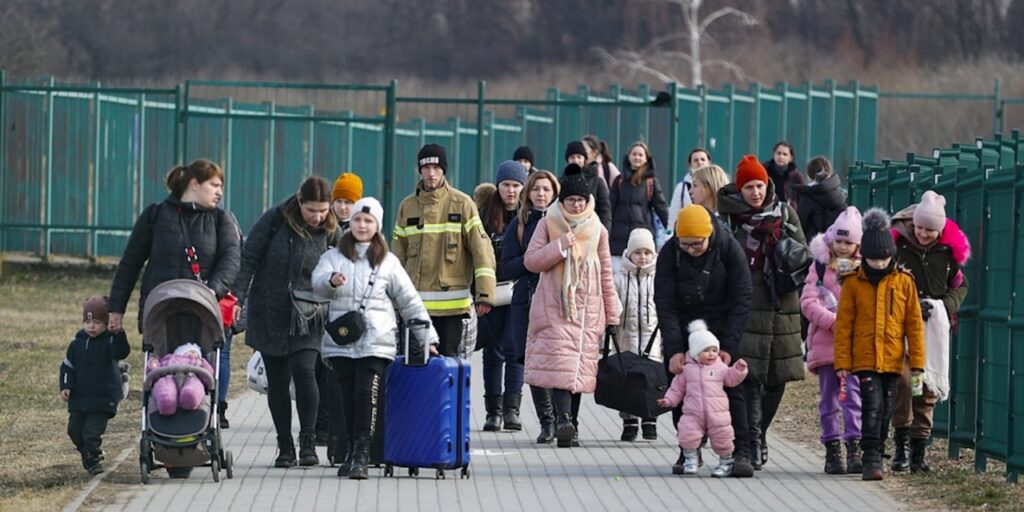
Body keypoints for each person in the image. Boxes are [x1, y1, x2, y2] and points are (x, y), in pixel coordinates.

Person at [107, 159, 240, 435]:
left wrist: (211, 292)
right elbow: (130, 263)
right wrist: (116, 308)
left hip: (204, 312)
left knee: (202, 370)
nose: (220, 192)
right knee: (161, 369)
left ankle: (202, 425)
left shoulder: (220, 219)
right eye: (214, 185)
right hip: (161, 313)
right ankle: (163, 429)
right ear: (194, 184)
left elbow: (231, 260)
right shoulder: (155, 216)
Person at [313, 197, 440, 480]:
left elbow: (409, 301)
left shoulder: (389, 262)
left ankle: (362, 452)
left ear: (377, 226)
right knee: (347, 398)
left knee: (365, 395)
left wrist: (426, 337)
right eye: (358, 219)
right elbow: (317, 283)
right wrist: (330, 280)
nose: (361, 225)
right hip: (342, 343)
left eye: (368, 221)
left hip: (376, 341)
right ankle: (348, 451)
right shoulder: (334, 256)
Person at [233, 176, 340, 468]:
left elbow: (348, 262)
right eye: (311, 211)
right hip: (270, 310)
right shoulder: (275, 219)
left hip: (310, 313)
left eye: (323, 210)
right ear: (299, 202)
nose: (317, 217)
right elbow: (249, 258)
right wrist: (236, 300)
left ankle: (308, 442)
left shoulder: (332, 229)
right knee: (277, 381)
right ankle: (284, 445)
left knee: (305, 372)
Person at [718, 155, 807, 470]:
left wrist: (787, 256)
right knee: (750, 376)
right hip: (745, 302)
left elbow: (803, 252)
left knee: (776, 378)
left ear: (767, 185)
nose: (755, 192)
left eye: (759, 185)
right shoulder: (728, 219)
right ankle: (753, 440)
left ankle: (763, 431)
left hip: (781, 302)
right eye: (748, 187)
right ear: (739, 189)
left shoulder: (785, 213)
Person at [524, 163, 621, 448]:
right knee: (561, 364)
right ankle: (563, 419)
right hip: (556, 305)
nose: (576, 204)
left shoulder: (597, 228)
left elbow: (606, 271)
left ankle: (572, 424)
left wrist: (612, 315)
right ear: (561, 200)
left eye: (580, 199)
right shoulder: (548, 223)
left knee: (578, 368)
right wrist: (559, 247)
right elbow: (532, 261)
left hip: (588, 309)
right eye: (570, 200)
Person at [655, 204, 754, 477]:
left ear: (709, 235)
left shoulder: (729, 249)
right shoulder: (670, 253)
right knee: (681, 383)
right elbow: (665, 303)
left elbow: (742, 297)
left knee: (732, 388)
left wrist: (729, 347)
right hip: (685, 324)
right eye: (684, 244)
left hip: (722, 323)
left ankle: (740, 450)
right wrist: (674, 349)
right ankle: (689, 448)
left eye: (696, 244)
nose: (690, 249)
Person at [834, 208, 925, 481]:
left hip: (894, 359)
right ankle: (871, 455)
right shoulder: (852, 283)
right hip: (864, 358)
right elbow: (844, 326)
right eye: (873, 259)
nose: (878, 263)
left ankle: (879, 449)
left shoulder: (904, 283)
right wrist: (842, 363)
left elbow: (914, 326)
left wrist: (918, 363)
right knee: (871, 404)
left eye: (883, 258)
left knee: (886, 406)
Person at [889, 190, 971, 473]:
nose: (923, 234)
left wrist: (944, 307)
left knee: (925, 388)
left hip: (933, 330)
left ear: (940, 230)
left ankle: (918, 449)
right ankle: (900, 443)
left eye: (930, 230)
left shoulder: (947, 255)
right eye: (920, 228)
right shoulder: (899, 248)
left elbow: (960, 285)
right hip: (902, 329)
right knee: (904, 382)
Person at [392, 144, 496, 357]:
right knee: (415, 369)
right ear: (419, 170)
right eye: (426, 167)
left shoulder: (462, 204)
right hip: (415, 307)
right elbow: (396, 258)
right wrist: (392, 297)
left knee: (447, 368)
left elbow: (481, 250)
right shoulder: (407, 206)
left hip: (452, 310)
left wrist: (484, 294)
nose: (431, 173)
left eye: (437, 168)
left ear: (444, 170)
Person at [800, 207, 864, 475]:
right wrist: (832, 321)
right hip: (827, 344)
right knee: (829, 399)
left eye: (848, 242)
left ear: (858, 244)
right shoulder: (820, 266)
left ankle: (854, 445)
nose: (842, 247)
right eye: (838, 241)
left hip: (854, 347)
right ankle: (832, 448)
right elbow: (807, 301)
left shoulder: (864, 270)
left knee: (853, 397)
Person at [500, 170, 560, 444]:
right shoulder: (520, 224)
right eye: (536, 189)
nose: (540, 194)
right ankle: (547, 422)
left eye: (546, 189)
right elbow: (507, 266)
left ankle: (565, 420)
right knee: (533, 360)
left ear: (554, 192)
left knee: (559, 358)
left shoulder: (563, 222)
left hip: (559, 299)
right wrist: (533, 260)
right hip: (528, 298)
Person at [475, 160, 529, 432]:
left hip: (519, 290)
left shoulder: (529, 216)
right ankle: (493, 411)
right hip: (492, 290)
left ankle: (512, 410)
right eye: (506, 185)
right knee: (492, 349)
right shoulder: (483, 214)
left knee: (515, 348)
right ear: (497, 186)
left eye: (517, 185)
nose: (511, 191)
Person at [657, 320, 749, 477]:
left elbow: (731, 379)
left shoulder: (720, 367)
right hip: (693, 413)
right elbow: (677, 388)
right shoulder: (686, 370)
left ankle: (726, 462)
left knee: (723, 439)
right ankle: (690, 459)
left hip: (718, 413)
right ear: (695, 353)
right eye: (706, 351)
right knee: (687, 435)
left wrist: (739, 369)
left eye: (714, 350)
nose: (712, 354)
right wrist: (669, 400)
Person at [316, 171, 364, 444]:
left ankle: (336, 425)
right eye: (339, 201)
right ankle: (320, 426)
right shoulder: (323, 229)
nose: (343, 207)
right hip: (321, 308)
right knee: (318, 370)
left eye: (349, 201)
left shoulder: (364, 230)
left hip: (347, 310)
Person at [60, 297, 131, 475]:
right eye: (88, 322)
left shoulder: (110, 341)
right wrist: (66, 386)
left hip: (103, 398)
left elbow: (122, 352)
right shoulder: (76, 345)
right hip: (80, 397)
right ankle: (89, 454)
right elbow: (67, 367)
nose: (91, 326)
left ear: (107, 324)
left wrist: (119, 333)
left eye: (97, 322)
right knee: (74, 431)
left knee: (91, 433)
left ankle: (93, 461)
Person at [613, 228, 663, 441]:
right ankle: (629, 421)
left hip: (653, 341)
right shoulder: (620, 279)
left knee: (651, 382)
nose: (642, 257)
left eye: (647, 253)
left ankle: (650, 420)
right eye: (638, 252)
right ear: (629, 253)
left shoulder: (658, 279)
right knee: (628, 383)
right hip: (626, 339)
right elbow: (612, 307)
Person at [608, 141, 669, 273]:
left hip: (642, 239)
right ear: (628, 157)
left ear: (646, 159)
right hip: (618, 240)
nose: (637, 157)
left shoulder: (651, 182)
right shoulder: (619, 181)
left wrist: (672, 228)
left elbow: (661, 207)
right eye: (634, 154)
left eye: (640, 155)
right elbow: (609, 208)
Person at [147, 343, 214, 416]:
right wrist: (153, 366)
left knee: (193, 388)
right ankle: (166, 401)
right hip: (168, 377)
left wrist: (202, 364)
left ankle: (190, 397)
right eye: (191, 351)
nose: (194, 354)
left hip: (191, 377)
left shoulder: (198, 362)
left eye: (197, 353)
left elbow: (208, 375)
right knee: (164, 388)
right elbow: (155, 374)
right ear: (180, 352)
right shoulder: (168, 358)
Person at [794, 156, 847, 241]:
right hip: (837, 244)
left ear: (809, 174)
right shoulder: (841, 194)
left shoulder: (808, 195)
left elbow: (799, 225)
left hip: (813, 244)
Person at [564, 140, 612, 230]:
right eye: (572, 157)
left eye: (579, 157)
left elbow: (605, 210)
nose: (576, 160)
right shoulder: (561, 182)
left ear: (584, 159)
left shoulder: (597, 182)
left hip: (592, 230)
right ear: (567, 160)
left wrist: (605, 232)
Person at [668, 147, 712, 229]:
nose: (700, 162)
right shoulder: (681, 188)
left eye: (703, 159)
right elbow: (673, 217)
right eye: (696, 160)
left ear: (709, 162)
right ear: (690, 164)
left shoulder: (715, 185)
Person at [763, 141, 804, 208]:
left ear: (791, 158)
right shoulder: (764, 171)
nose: (781, 157)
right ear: (774, 154)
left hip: (788, 212)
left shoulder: (796, 177)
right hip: (766, 209)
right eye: (778, 153)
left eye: (785, 154)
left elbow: (801, 200)